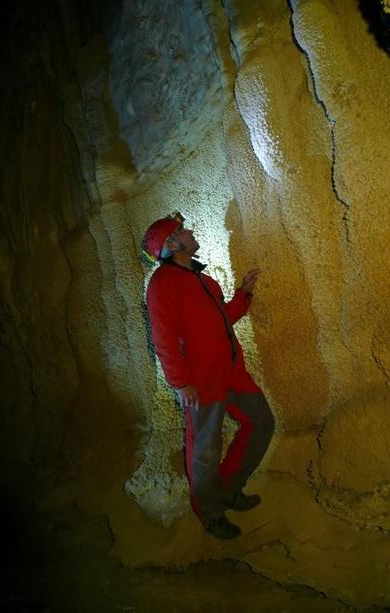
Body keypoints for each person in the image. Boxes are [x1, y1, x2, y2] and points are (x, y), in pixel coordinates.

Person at [142, 212, 275, 540]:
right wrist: (179, 382)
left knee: (261, 422)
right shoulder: (162, 285)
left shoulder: (203, 280)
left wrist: (243, 295)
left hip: (232, 373)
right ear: (173, 244)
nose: (190, 231)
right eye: (182, 231)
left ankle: (230, 488)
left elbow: (221, 319)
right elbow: (163, 338)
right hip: (200, 382)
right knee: (204, 448)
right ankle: (211, 513)